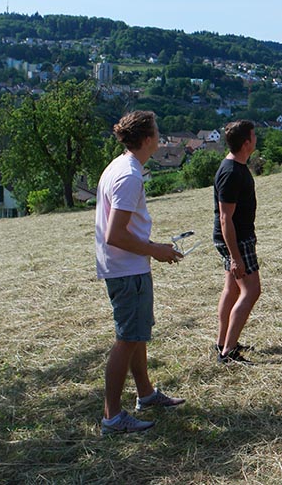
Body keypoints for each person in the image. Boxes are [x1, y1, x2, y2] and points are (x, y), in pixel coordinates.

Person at [95, 110, 185, 435]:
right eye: (157, 132)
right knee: (126, 339)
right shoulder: (129, 175)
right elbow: (115, 234)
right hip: (126, 270)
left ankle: (145, 394)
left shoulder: (123, 166)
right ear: (148, 139)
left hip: (127, 267)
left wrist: (153, 247)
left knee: (136, 335)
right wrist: (156, 251)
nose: (160, 137)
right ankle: (113, 417)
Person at [213, 120, 261, 364]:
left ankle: (223, 342)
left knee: (232, 289)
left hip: (237, 238)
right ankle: (229, 352)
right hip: (237, 240)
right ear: (246, 143)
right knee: (252, 290)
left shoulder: (235, 165)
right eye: (254, 136)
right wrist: (235, 256)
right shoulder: (231, 173)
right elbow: (225, 218)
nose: (256, 139)